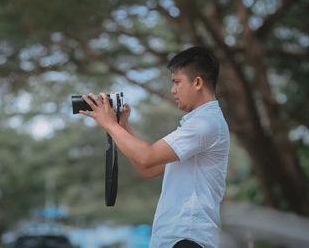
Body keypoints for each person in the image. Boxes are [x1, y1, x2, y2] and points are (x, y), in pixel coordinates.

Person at [79, 46, 230, 248]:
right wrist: (123, 125)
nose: (172, 90)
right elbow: (147, 168)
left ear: (197, 82)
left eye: (177, 82)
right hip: (178, 238)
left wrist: (108, 124)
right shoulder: (200, 123)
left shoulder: (205, 124)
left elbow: (147, 157)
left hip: (187, 238)